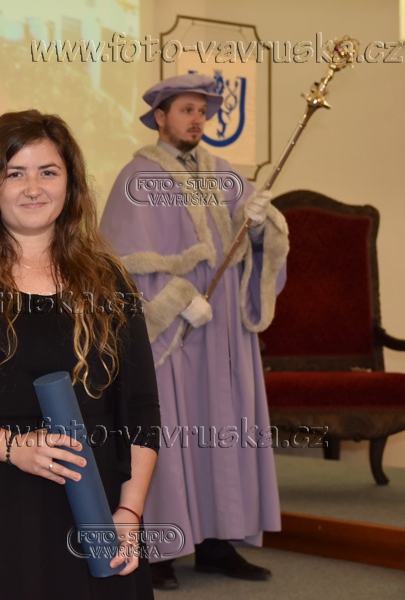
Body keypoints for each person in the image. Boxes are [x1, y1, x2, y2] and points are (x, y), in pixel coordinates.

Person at [0, 110, 160, 599]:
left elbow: (141, 408)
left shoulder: (110, 282)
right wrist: (13, 447)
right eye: (15, 173)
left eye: (48, 171)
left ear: (71, 184)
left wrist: (130, 511)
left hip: (91, 502)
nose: (33, 188)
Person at [99, 73, 288, 589]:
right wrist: (180, 300)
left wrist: (258, 224)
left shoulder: (225, 174)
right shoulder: (137, 178)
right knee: (170, 434)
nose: (197, 119)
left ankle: (217, 544)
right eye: (187, 110)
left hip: (224, 334)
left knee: (222, 430)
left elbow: (259, 249)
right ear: (160, 117)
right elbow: (120, 270)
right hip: (172, 339)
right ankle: (159, 549)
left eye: (202, 111)